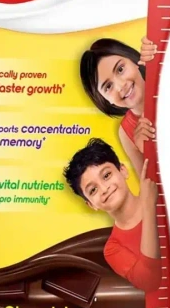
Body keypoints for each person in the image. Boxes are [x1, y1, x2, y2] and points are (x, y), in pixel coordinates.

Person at [64, 138, 161, 293]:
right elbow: (150, 282)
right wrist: (149, 208)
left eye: (106, 175)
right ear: (91, 204)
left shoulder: (159, 194)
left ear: (123, 170)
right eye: (93, 190)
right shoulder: (113, 249)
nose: (104, 189)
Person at [80, 37, 157, 172]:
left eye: (120, 69)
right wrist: (148, 152)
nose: (121, 86)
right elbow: (148, 184)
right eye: (108, 86)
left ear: (134, 61)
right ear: (105, 100)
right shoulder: (126, 132)